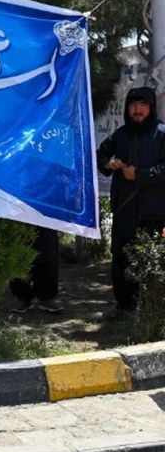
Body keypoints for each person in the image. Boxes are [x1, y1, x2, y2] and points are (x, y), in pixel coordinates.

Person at [97, 86, 165, 319]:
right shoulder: (121, 134)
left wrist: (140, 174)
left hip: (154, 210)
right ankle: (124, 306)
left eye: (143, 105)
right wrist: (110, 163)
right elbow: (100, 155)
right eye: (133, 105)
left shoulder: (162, 134)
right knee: (121, 256)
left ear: (151, 108)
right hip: (125, 208)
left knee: (151, 258)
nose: (138, 110)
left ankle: (152, 307)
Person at [10, 227, 63, 314]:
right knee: (21, 258)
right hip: (22, 219)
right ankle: (24, 298)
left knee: (47, 255)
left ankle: (46, 298)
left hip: (46, 220)